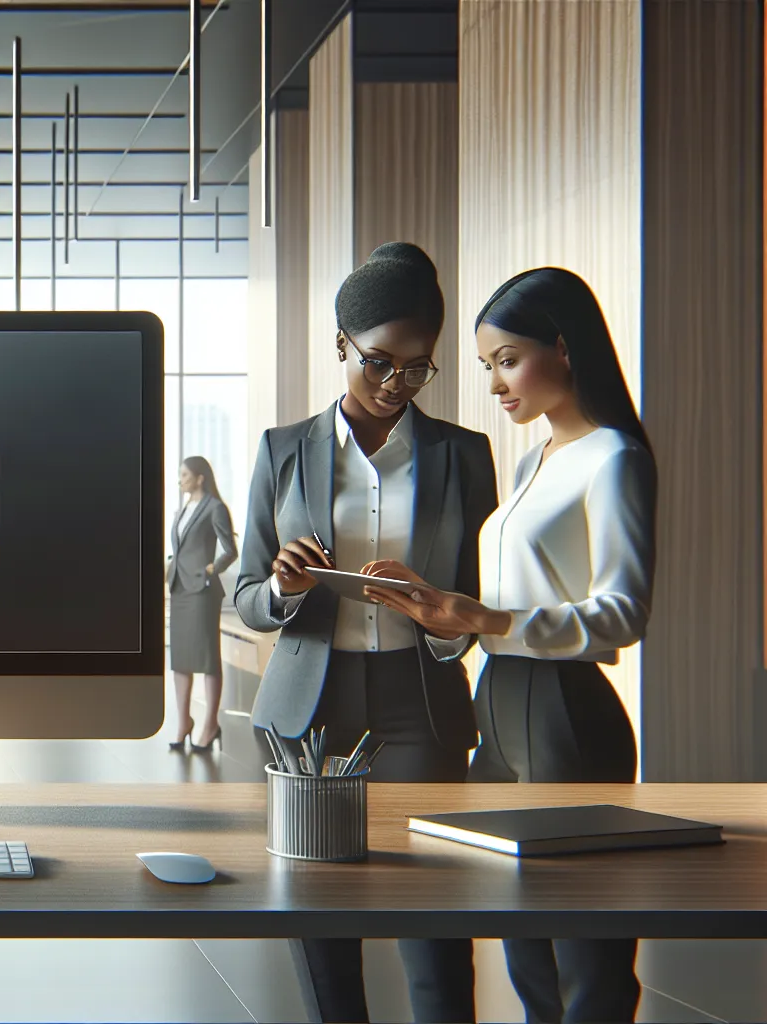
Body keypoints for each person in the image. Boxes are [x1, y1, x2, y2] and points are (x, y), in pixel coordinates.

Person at [363, 267, 655, 1024]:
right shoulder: (533, 461)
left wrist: (488, 621)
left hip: (564, 712)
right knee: (524, 942)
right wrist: (437, 602)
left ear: (563, 348)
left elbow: (624, 613)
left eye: (508, 360)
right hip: (499, 705)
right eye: (488, 365)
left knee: (585, 954)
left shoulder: (613, 458)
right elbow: (515, 598)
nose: (495, 383)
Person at [232, 242, 498, 1023]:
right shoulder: (284, 452)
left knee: (437, 919)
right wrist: (281, 587)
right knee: (323, 921)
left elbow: (475, 602)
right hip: (309, 708)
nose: (394, 384)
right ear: (341, 343)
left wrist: (442, 622)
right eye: (379, 361)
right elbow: (246, 594)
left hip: (421, 700)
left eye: (417, 367)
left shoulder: (463, 456)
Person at [165, 456, 236, 751]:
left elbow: (230, 549)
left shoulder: (215, 507)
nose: (179, 479)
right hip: (179, 588)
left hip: (202, 591)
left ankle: (210, 724)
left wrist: (212, 568)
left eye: (184, 474)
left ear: (200, 477)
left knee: (207, 658)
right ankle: (183, 723)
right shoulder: (183, 509)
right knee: (180, 658)